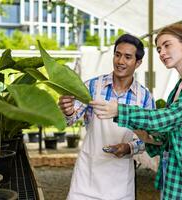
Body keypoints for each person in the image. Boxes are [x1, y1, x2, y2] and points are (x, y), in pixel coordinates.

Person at [90, 24, 182, 200]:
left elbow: (173, 117)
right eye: (159, 49)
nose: (162, 53)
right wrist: (145, 135)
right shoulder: (179, 87)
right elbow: (169, 135)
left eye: (167, 45)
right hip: (175, 176)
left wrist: (120, 110)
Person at [58, 34, 155, 200]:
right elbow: (72, 118)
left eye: (127, 57)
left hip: (120, 180)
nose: (120, 61)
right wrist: (67, 111)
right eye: (117, 55)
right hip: (88, 175)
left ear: (137, 63)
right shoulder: (92, 86)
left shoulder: (144, 97)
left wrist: (129, 148)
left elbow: (148, 138)